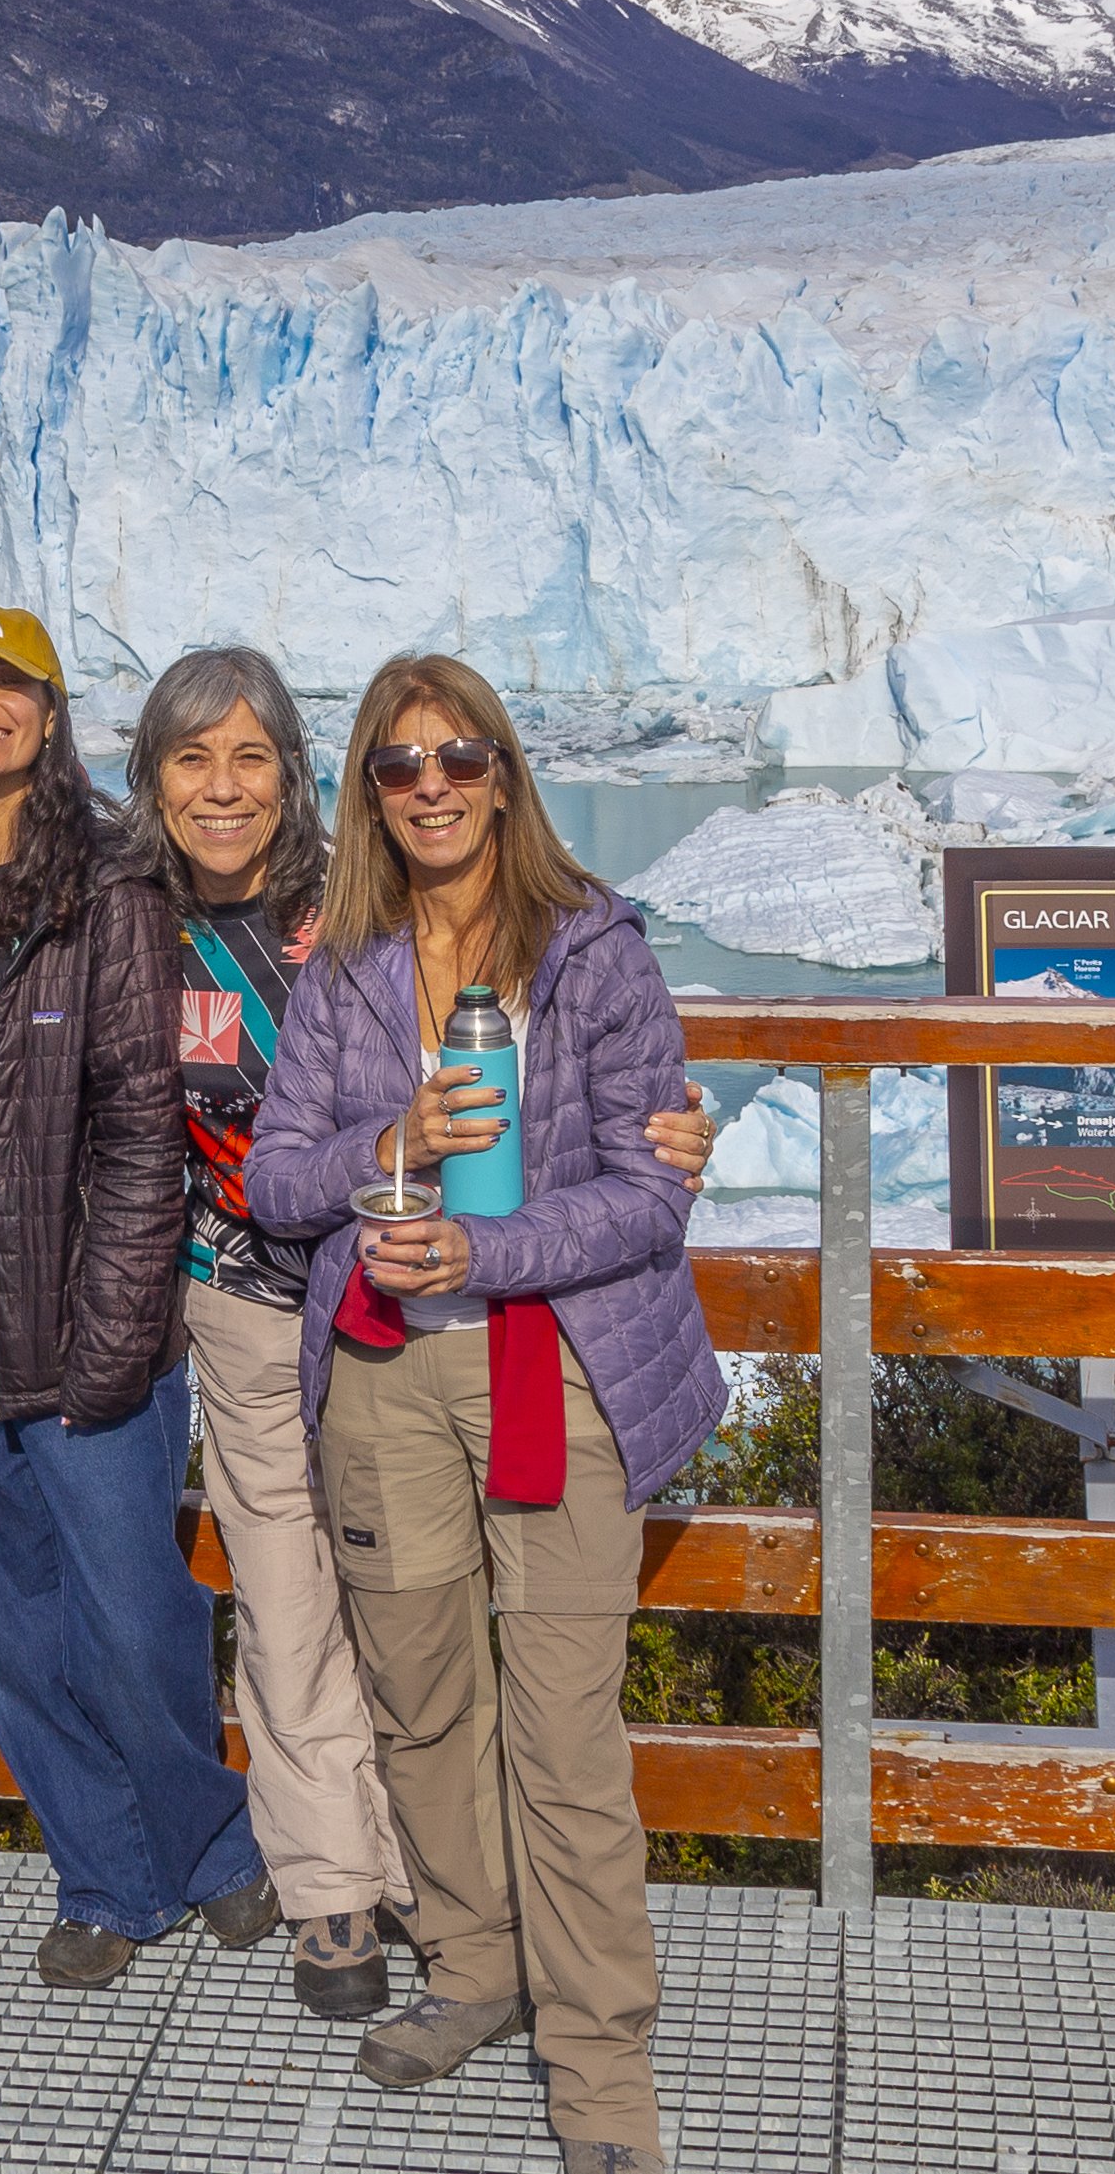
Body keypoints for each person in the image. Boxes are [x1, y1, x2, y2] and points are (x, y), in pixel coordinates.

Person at [132, 647, 715, 2020]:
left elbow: (640, 1178)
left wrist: (495, 1237)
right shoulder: (320, 958)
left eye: (458, 759)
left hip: (526, 1358)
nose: (431, 785)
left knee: (554, 1721)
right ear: (369, 790)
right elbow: (273, 1172)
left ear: (503, 777)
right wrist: (389, 1145)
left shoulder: (585, 948)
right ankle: (428, 1944)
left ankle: (590, 2046)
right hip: (341, 1343)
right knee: (380, 1673)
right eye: (400, 765)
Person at [0, 606, 274, 1992]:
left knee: (131, 1596)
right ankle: (107, 1871)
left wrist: (112, 1318)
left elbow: (143, 1127)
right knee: (2, 1613)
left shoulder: (111, 881)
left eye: (4, 687)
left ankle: (207, 1837)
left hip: (81, 1288)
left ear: (46, 710)